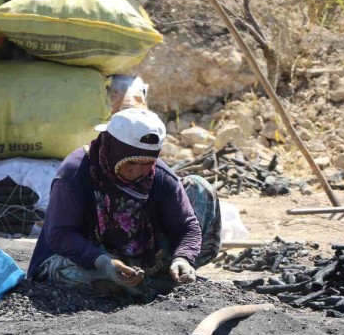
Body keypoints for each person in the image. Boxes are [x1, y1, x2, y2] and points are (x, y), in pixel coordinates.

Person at [28, 108, 221, 295]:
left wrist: (183, 258)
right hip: (90, 257)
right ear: (112, 149)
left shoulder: (159, 176)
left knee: (199, 187)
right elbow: (61, 234)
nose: (137, 171)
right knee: (70, 273)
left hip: (142, 261)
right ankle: (145, 286)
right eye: (130, 162)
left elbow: (187, 226)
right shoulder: (75, 172)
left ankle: (156, 278)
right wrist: (104, 262)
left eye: (146, 163)